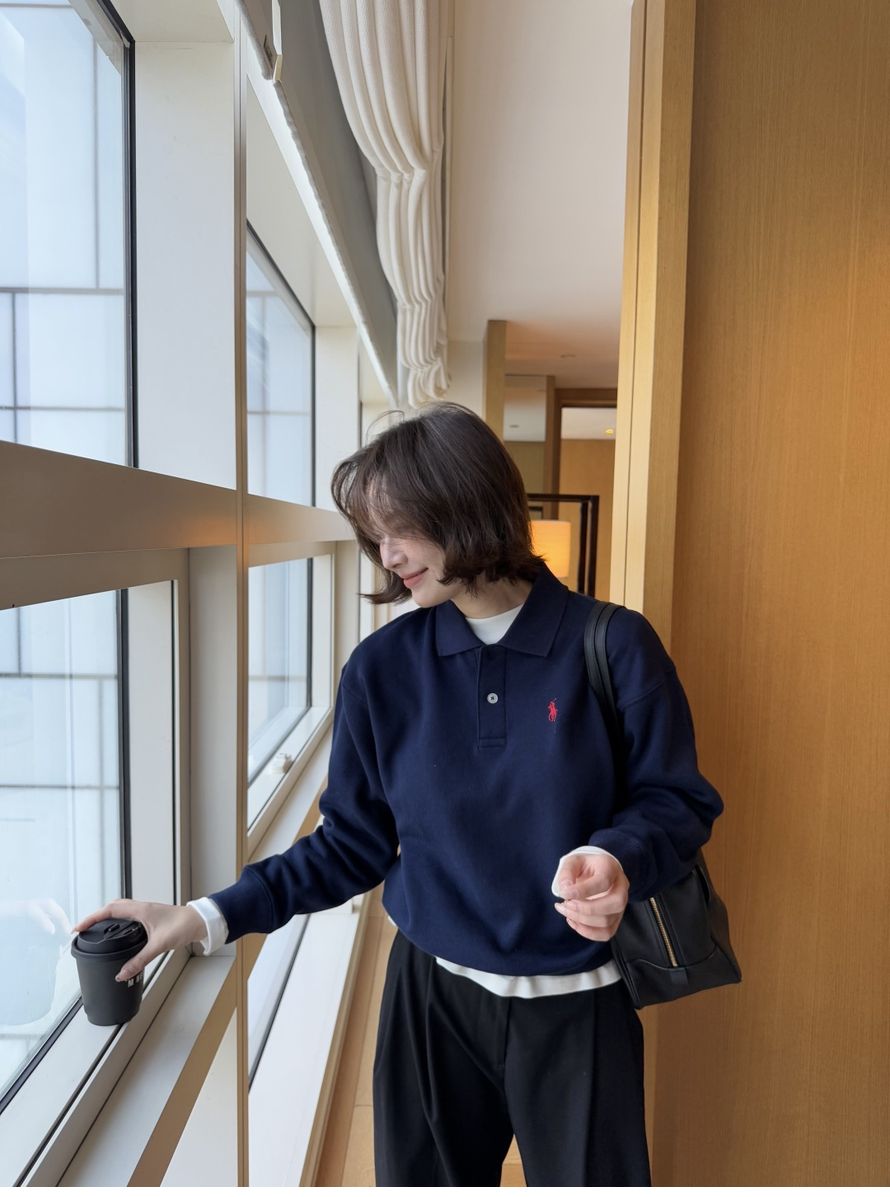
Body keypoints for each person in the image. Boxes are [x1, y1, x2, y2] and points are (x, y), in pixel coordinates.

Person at [74, 402, 724, 1187]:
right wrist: (207, 915)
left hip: (580, 1002)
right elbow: (350, 844)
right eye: (373, 534)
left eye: (401, 527)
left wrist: (616, 857)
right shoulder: (381, 668)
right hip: (430, 999)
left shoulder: (614, 643)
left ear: (468, 502)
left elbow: (677, 801)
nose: (386, 554)